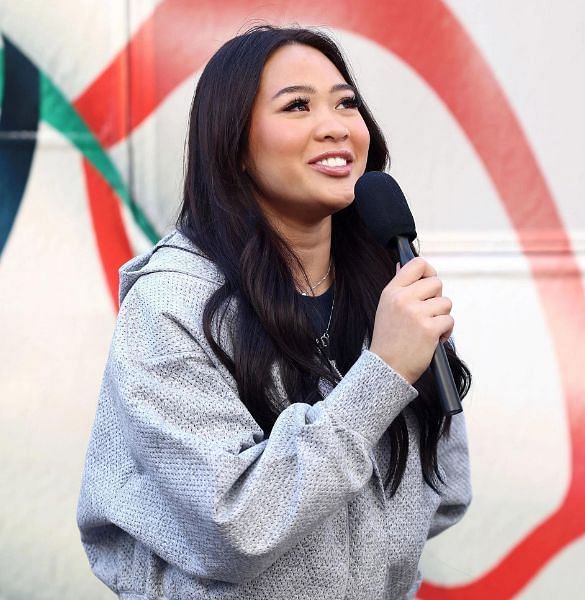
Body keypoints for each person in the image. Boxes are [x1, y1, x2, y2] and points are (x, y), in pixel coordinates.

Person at [76, 25, 471, 599]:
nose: (334, 125)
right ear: (234, 144)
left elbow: (445, 485)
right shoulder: (170, 306)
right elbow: (232, 524)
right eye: (297, 106)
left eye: (346, 103)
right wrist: (380, 376)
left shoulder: (386, 281)